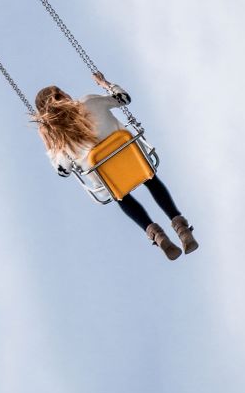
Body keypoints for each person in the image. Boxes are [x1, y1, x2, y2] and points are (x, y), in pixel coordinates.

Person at [33, 73, 198, 261]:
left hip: (107, 177)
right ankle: (181, 227)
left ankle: (157, 236)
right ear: (62, 96)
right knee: (151, 180)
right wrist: (105, 83)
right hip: (132, 159)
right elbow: (124, 99)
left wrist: (49, 144)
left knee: (120, 195)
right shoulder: (88, 102)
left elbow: (63, 171)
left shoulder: (61, 140)